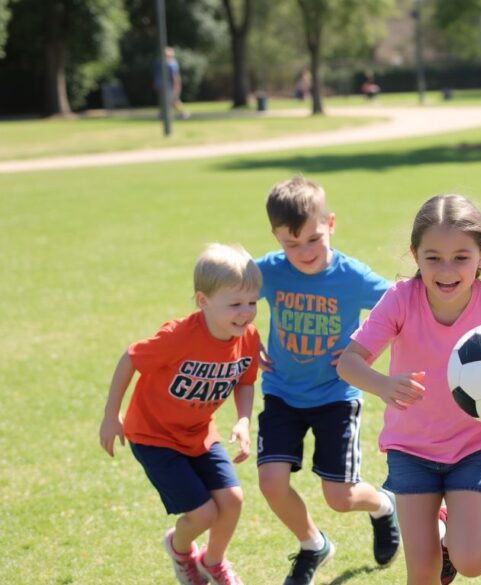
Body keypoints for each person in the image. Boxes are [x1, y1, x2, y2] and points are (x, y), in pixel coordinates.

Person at [337, 194, 481, 585]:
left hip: (472, 447)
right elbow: (348, 362)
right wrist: (384, 384)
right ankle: (446, 533)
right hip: (412, 450)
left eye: (461, 257)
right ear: (415, 255)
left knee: (471, 561)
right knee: (423, 572)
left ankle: (459, 535)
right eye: (433, 257)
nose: (446, 270)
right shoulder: (401, 299)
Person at [254, 177, 399, 585]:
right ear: (276, 237)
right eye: (291, 244)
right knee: (271, 482)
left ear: (330, 223)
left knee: (340, 498)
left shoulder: (351, 276)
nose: (303, 253)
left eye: (313, 239)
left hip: (336, 395)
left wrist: (364, 351)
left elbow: (399, 309)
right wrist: (247, 340)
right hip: (282, 391)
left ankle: (384, 506)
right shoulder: (268, 270)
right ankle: (312, 544)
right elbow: (229, 297)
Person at [99, 243, 262, 585]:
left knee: (232, 499)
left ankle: (213, 562)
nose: (246, 312)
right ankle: (179, 549)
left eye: (252, 302)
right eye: (235, 304)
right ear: (203, 301)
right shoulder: (178, 337)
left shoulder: (247, 338)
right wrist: (111, 415)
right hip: (154, 437)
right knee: (203, 513)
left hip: (199, 434)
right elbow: (131, 357)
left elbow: (245, 382)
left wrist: (244, 420)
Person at [154, 47, 190, 119]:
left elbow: (175, 77)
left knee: (173, 102)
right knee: (168, 101)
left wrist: (176, 86)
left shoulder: (172, 64)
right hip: (163, 86)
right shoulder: (160, 63)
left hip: (170, 86)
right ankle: (164, 114)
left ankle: (183, 113)